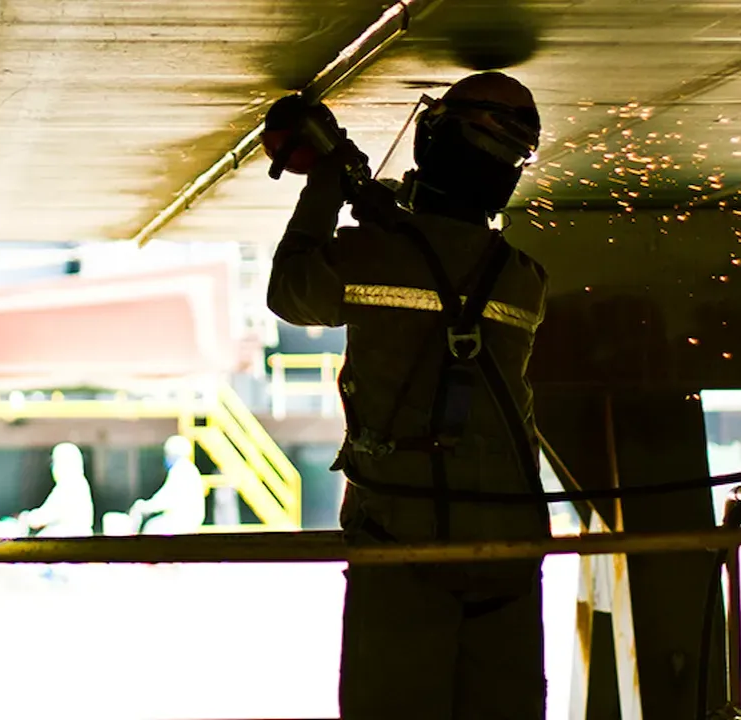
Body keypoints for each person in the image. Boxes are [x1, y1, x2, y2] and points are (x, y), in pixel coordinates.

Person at [267, 72, 549, 720]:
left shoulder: (372, 254)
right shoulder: (523, 277)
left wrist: (325, 190)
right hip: (510, 533)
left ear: (434, 139)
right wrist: (385, 212)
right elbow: (440, 262)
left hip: (406, 534)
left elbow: (291, 288)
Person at [130, 435, 205, 535]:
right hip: (186, 518)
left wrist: (146, 506)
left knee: (151, 528)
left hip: (183, 520)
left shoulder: (181, 470)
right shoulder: (186, 468)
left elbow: (166, 498)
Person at [20, 442, 94, 537]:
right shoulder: (76, 483)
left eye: (55, 462)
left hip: (71, 541)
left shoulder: (70, 485)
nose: (53, 467)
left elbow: (46, 515)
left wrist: (27, 517)